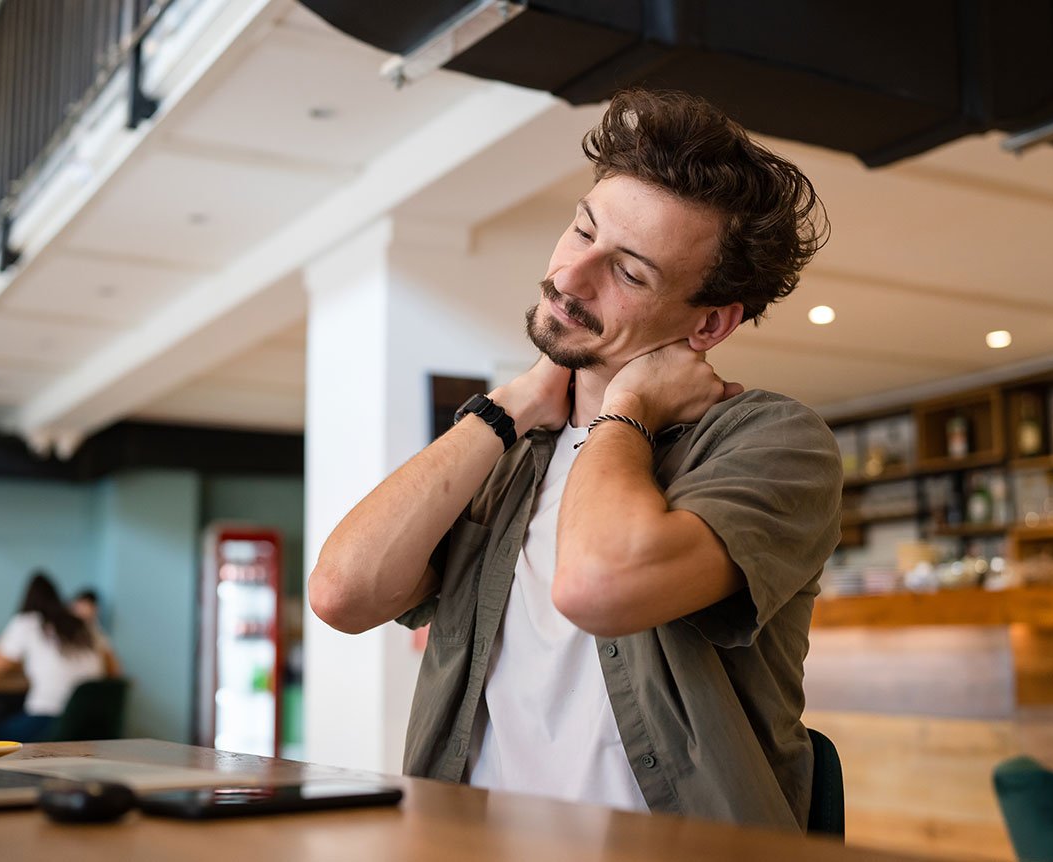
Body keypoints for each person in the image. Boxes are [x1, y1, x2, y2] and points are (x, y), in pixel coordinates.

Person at [308, 89, 841, 831]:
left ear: (709, 323)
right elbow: (342, 593)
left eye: (629, 272)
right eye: (581, 229)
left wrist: (627, 411)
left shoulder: (772, 440)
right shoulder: (510, 447)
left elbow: (597, 585)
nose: (572, 276)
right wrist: (514, 404)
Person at [0, 571, 121, 742]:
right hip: (93, 726)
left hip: (49, 720)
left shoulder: (28, 621)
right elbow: (115, 671)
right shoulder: (86, 624)